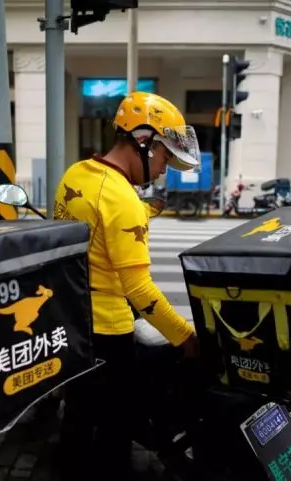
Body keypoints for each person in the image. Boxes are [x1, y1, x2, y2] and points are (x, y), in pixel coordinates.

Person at [54, 91, 200, 481]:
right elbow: (139, 290)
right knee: (114, 428)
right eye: (164, 157)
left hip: (74, 321)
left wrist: (141, 213)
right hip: (108, 331)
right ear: (144, 141)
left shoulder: (76, 175)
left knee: (79, 416)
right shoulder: (123, 200)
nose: (162, 170)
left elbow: (94, 230)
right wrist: (185, 337)